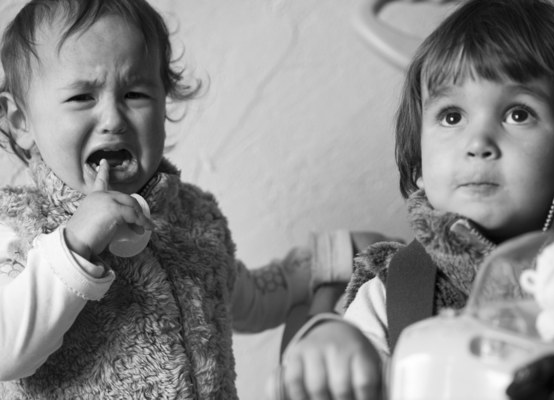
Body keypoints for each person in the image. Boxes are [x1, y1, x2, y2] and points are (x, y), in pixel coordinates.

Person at [0, 0, 335, 398]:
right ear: (21, 122)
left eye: (135, 93)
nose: (113, 118)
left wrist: (325, 262)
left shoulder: (193, 217)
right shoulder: (17, 228)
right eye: (82, 97)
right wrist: (74, 247)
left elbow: (245, 299)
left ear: (164, 103)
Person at [268, 0, 554, 399]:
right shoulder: (393, 294)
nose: (478, 143)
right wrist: (333, 352)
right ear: (421, 164)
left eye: (518, 114)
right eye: (452, 117)